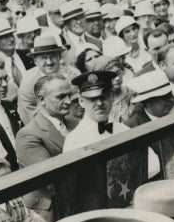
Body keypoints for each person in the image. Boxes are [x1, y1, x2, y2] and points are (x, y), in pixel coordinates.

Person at [62, 70, 147, 208]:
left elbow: (148, 167)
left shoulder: (123, 130)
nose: (100, 103)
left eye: (104, 96)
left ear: (113, 97)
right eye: (92, 99)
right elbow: (73, 190)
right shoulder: (74, 141)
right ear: (81, 101)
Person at [14, 75, 79, 222]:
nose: (68, 101)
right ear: (42, 99)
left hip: (77, 198)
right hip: (52, 210)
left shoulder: (76, 123)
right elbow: (51, 178)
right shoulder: (27, 134)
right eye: (61, 97)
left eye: (69, 95)